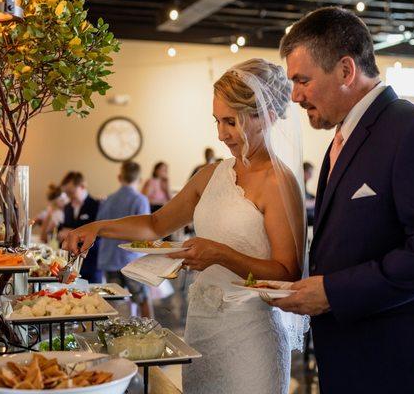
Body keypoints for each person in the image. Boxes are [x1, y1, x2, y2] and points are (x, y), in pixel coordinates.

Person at [271, 6, 414, 393]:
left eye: (302, 80)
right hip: (365, 361)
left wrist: (332, 292)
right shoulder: (341, 140)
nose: (295, 96)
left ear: (346, 70)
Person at [63, 58, 306, 394]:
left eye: (230, 122)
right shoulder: (211, 175)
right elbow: (155, 224)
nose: (221, 134)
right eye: (217, 121)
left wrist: (220, 254)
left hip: (250, 337)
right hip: (202, 329)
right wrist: (98, 227)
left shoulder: (278, 183)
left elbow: (288, 273)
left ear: (262, 116)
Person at [96, 161, 153, 317]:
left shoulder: (108, 200)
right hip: (132, 260)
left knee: (114, 303)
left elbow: (99, 226)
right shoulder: (140, 200)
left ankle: (116, 337)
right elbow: (145, 231)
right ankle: (151, 334)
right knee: (143, 300)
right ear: (140, 179)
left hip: (110, 259)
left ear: (119, 177)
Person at [59, 171, 102, 283]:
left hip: (91, 261)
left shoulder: (96, 205)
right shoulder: (68, 207)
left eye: (71, 192)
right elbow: (64, 228)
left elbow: (100, 233)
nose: (69, 196)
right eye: (67, 193)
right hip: (71, 261)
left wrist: (73, 232)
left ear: (82, 186)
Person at [303, 161, 316, 226]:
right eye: (310, 172)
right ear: (304, 172)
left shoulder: (304, 183)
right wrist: (314, 202)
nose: (311, 175)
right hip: (305, 215)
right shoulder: (300, 183)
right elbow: (302, 203)